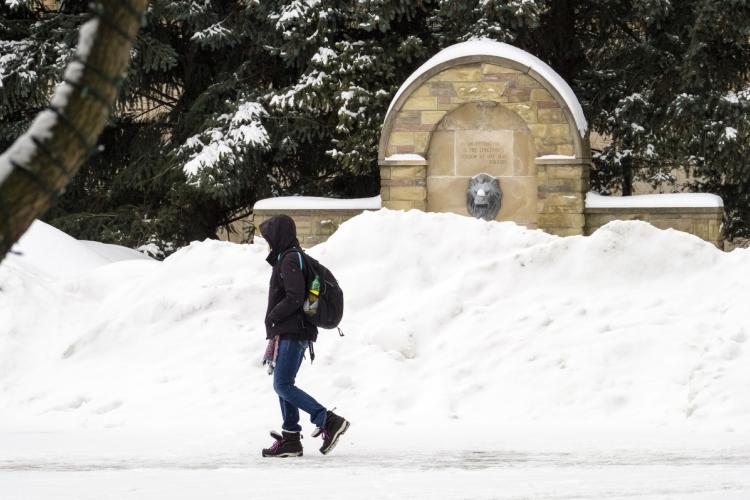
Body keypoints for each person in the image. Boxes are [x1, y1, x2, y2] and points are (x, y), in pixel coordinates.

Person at [258, 214, 349, 457]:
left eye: (269, 237)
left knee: (282, 384)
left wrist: (273, 316)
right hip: (293, 330)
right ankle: (290, 438)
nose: (268, 242)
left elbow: (295, 297)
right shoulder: (291, 257)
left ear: (278, 236)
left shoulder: (289, 259)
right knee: (283, 384)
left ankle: (327, 420)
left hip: (293, 330)